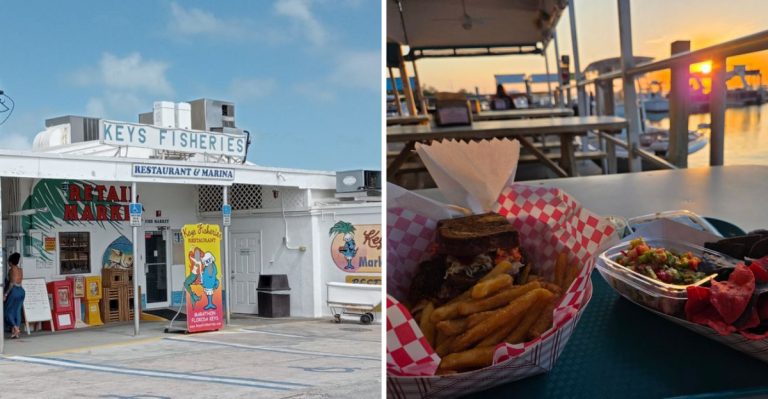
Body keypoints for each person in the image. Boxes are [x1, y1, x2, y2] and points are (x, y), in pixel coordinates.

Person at [4, 253, 25, 339]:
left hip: (14, 291)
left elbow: (12, 283)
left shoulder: (11, 269)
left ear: (11, 262)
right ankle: (15, 332)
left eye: (9, 261)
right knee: (17, 312)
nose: (8, 263)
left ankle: (15, 328)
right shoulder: (20, 269)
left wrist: (6, 294)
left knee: (8, 312)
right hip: (22, 291)